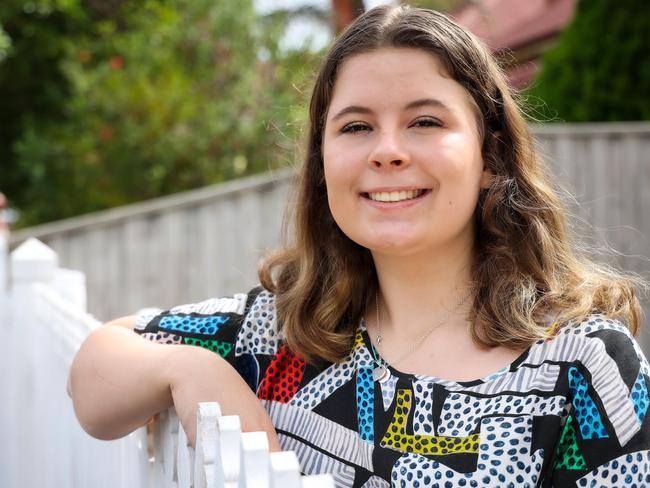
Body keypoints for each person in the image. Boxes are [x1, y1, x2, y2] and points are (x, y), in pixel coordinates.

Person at [69, 5, 650, 487]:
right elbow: (97, 366)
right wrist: (193, 368)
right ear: (324, 166)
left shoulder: (582, 365)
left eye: (425, 121)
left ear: (490, 159)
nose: (387, 151)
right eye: (355, 126)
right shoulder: (281, 336)